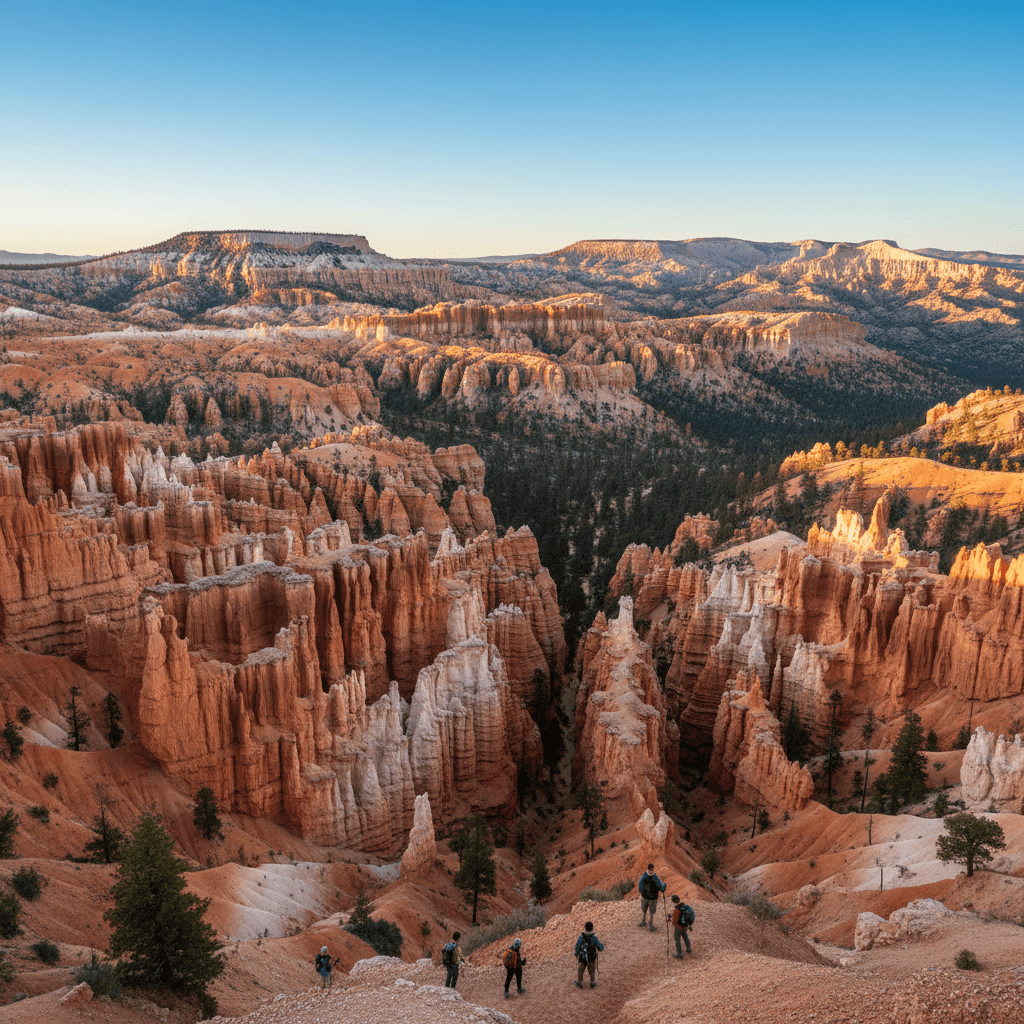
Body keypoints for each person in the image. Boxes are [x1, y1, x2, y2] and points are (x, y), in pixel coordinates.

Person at [573, 920, 604, 989]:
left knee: (580, 970)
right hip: (591, 957)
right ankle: (592, 982)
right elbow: (600, 948)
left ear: (585, 928)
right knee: (592, 970)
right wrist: (602, 946)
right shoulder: (594, 938)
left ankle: (579, 983)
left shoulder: (581, 937)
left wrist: (576, 954)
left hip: (582, 957)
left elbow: (577, 946)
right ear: (592, 928)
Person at [638, 863, 667, 930]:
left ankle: (643, 921)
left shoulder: (644, 876)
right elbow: (661, 887)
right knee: (651, 912)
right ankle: (651, 925)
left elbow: (640, 886)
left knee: (644, 910)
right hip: (653, 898)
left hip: (645, 897)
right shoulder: (655, 877)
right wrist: (664, 884)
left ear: (647, 868)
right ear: (653, 869)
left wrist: (642, 892)